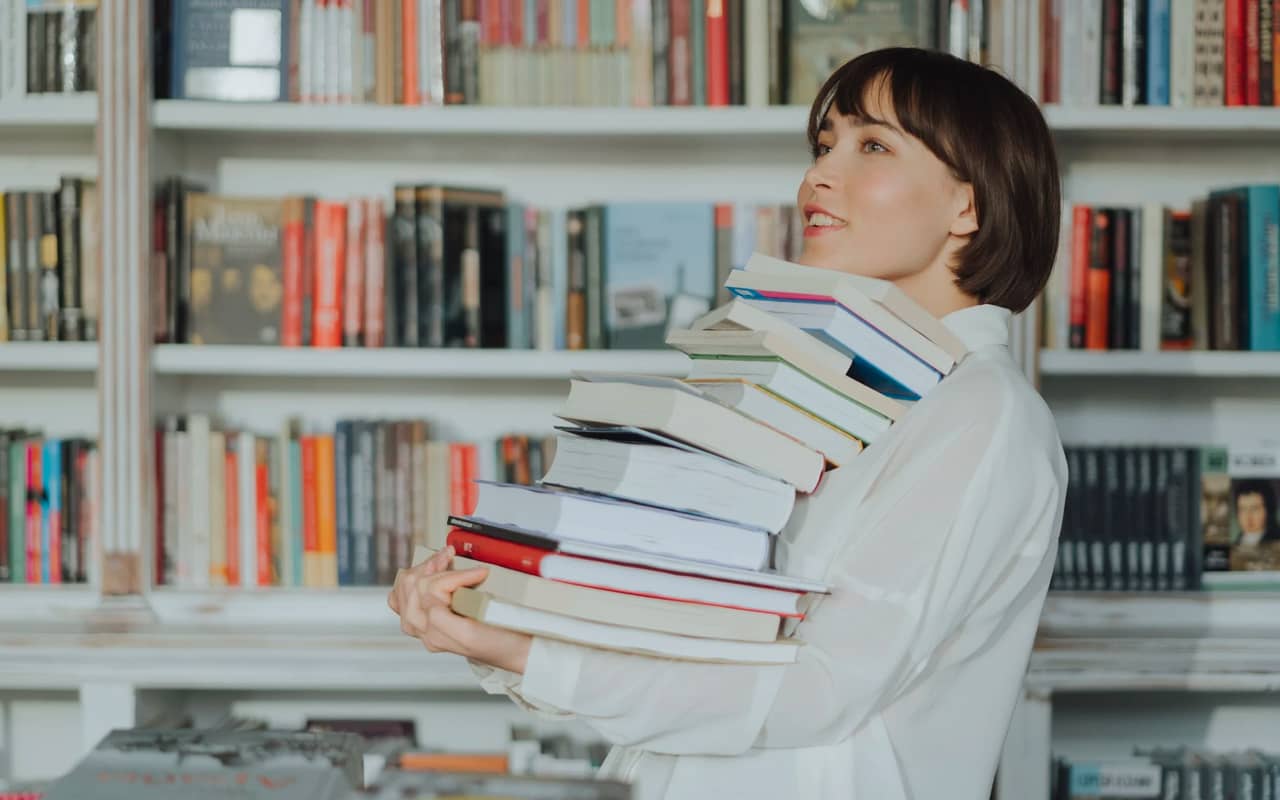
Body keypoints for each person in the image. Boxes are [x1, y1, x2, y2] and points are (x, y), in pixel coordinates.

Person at [388, 47, 1067, 800]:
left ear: (967, 207)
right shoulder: (837, 389)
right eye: (823, 145)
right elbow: (704, 648)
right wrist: (497, 628)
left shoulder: (982, 413)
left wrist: (527, 655)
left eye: (872, 145)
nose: (820, 176)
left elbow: (821, 689)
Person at [1232, 479, 1280, 548]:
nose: (1247, 517)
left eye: (1254, 509)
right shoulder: (1238, 541)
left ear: (1269, 510)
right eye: (1243, 509)